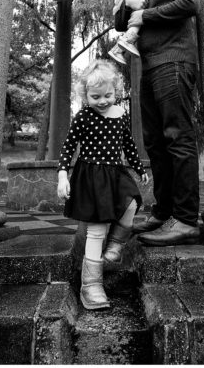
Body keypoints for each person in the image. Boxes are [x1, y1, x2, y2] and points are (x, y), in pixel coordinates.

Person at [123, 0, 202, 246]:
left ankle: (185, 220)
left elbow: (190, 2)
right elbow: (130, 22)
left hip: (174, 60)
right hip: (150, 66)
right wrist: (127, 9)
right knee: (154, 142)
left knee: (177, 137)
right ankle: (162, 212)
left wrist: (147, 14)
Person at [56, 60, 149, 310]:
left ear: (116, 91)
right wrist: (63, 175)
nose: (102, 101)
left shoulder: (120, 114)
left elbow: (128, 145)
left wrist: (139, 169)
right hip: (91, 176)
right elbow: (68, 147)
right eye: (95, 96)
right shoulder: (84, 116)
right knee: (96, 229)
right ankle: (91, 285)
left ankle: (116, 245)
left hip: (116, 173)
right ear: (85, 95)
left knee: (132, 203)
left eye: (108, 95)